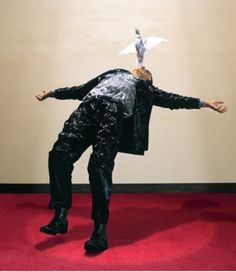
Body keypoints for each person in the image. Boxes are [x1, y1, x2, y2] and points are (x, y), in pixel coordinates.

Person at [36, 66, 227, 252]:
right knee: (59, 155)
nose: (141, 68)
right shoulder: (112, 73)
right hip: (86, 110)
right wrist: (52, 93)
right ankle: (60, 216)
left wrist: (204, 103)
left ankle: (99, 231)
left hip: (111, 116)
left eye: (147, 72)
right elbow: (80, 90)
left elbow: (172, 100)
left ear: (148, 79)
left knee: (98, 167)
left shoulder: (144, 88)